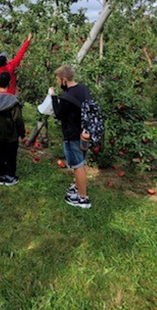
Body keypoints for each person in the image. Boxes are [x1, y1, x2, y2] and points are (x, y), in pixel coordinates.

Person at [0, 33, 32, 158]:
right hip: (10, 100)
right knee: (11, 123)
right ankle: (8, 148)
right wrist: (28, 40)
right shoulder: (12, 66)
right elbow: (21, 54)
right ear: (6, 61)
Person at [51, 65, 92, 209]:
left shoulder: (66, 98)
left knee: (77, 166)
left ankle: (82, 199)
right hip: (85, 133)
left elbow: (58, 114)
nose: (57, 83)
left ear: (63, 80)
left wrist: (53, 97)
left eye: (57, 80)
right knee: (82, 161)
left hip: (73, 134)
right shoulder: (83, 89)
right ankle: (78, 187)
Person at [0, 72, 25, 186]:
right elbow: (18, 119)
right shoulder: (12, 101)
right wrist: (21, 132)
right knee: (11, 155)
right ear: (9, 83)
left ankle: (1, 176)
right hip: (10, 132)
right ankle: (10, 177)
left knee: (0, 153)